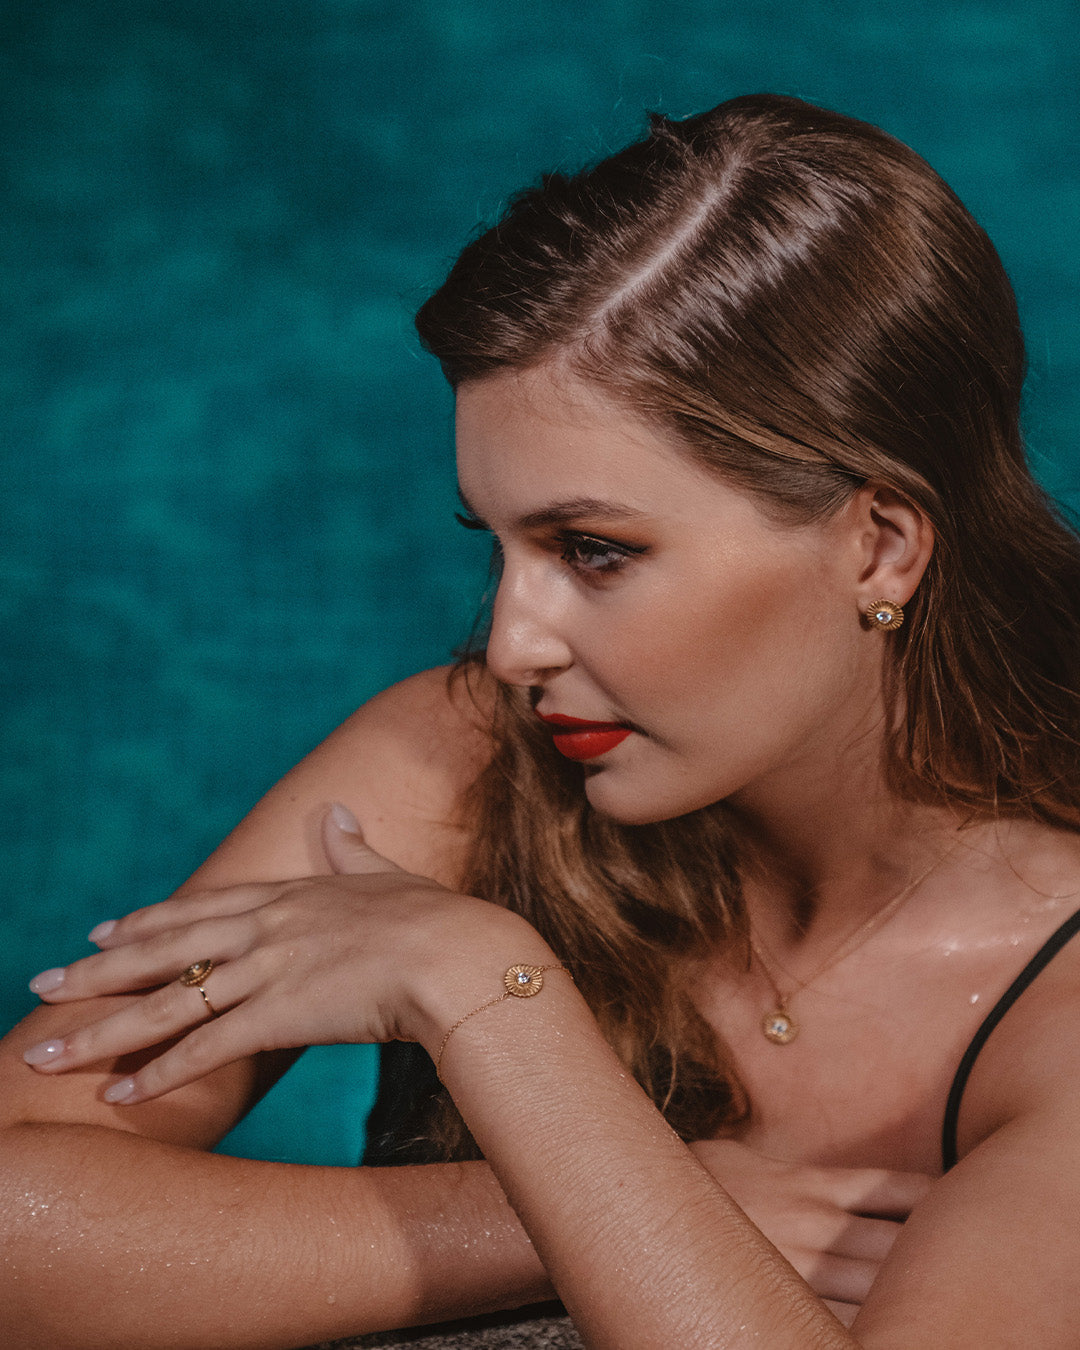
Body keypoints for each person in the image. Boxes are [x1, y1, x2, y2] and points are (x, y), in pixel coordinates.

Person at [4, 91, 1080, 1349]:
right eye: (502, 546)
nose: (513, 645)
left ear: (880, 546)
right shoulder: (456, 760)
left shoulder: (1055, 998)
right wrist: (611, 1202)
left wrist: (489, 1001)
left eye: (594, 550)